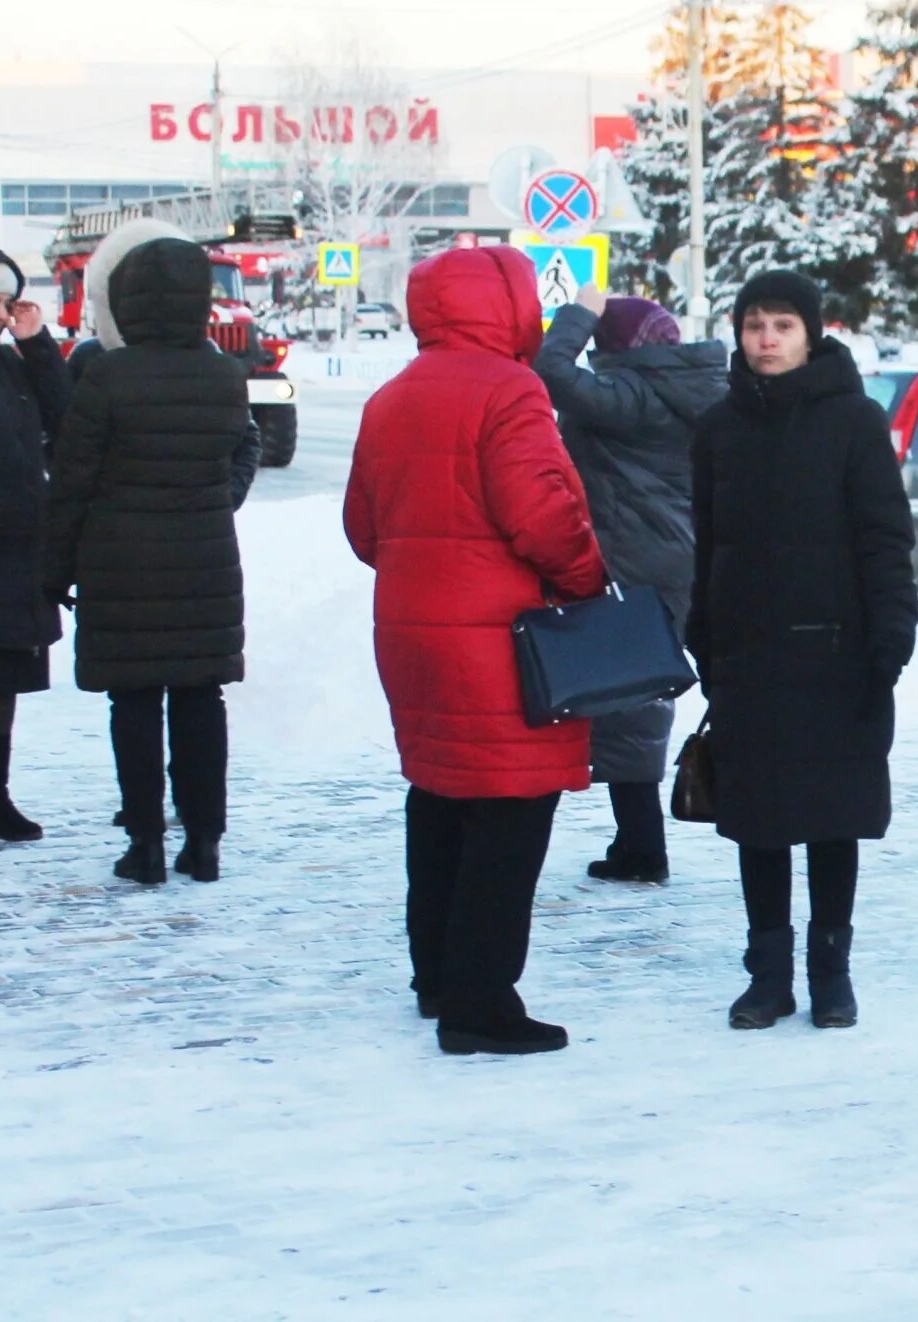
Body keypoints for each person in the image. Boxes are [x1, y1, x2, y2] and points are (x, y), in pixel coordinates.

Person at [344, 246, 607, 1057]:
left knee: (439, 799)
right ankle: (480, 1004)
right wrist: (588, 577)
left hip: (412, 634)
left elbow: (363, 530)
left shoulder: (390, 398)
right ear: (509, 307)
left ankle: (438, 979)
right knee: (510, 810)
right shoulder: (509, 390)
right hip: (501, 638)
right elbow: (543, 516)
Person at [686, 271, 918, 1031]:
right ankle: (768, 977)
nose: (766, 339)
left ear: (811, 334)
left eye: (782, 325)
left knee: (831, 818)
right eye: (754, 325)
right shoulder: (719, 427)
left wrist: (890, 636)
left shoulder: (853, 420)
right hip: (749, 658)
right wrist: (704, 628)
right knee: (757, 821)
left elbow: (885, 538)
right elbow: (707, 541)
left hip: (838, 655)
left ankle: (831, 976)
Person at [44, 237, 257, 886]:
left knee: (133, 702)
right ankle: (205, 844)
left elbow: (73, 480)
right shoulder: (224, 374)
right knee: (201, 700)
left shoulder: (108, 375)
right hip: (204, 563)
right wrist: (217, 501)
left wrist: (54, 570)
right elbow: (241, 454)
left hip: (121, 564)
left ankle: (146, 847)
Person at [533, 284, 726, 883]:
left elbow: (551, 371)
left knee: (628, 700)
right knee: (635, 695)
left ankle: (643, 848)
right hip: (673, 554)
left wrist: (580, 314)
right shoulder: (685, 388)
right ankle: (638, 841)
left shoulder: (633, 394)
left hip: (637, 559)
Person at [0, 239, 70, 851]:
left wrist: (36, 345)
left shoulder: (8, 362)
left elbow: (66, 419)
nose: (2, 314)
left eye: (9, 302)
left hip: (12, 551)